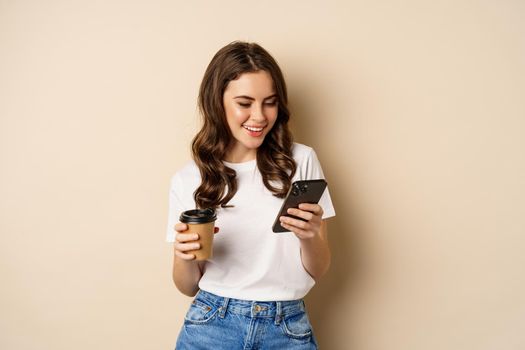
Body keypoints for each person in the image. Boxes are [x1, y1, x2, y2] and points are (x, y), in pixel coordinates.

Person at [166, 41, 336, 350]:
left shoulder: (302, 161)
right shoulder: (189, 178)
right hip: (210, 324)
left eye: (269, 102)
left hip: (286, 328)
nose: (259, 116)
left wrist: (310, 236)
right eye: (244, 103)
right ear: (217, 103)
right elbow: (187, 285)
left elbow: (318, 269)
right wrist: (183, 254)